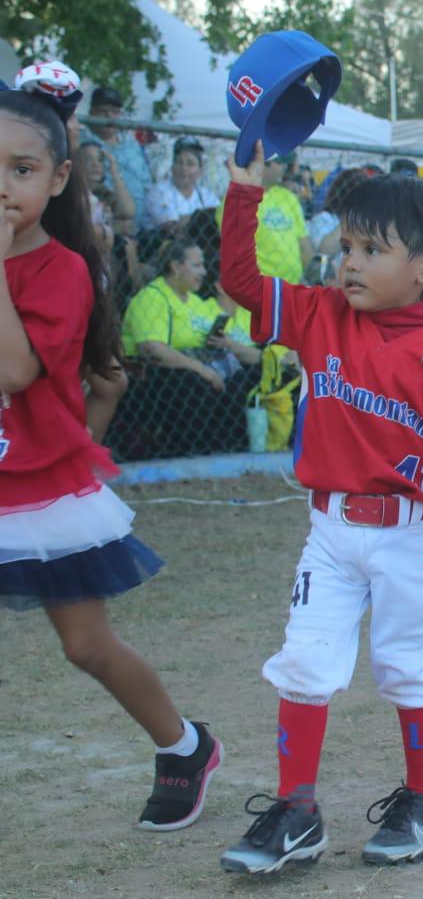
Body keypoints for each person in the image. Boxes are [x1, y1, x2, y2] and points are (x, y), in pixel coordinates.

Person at [216, 143, 423, 874]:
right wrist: (244, 195)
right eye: (345, 245)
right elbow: (242, 282)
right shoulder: (320, 315)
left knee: (409, 666)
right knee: (305, 664)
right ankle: (298, 811)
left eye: (372, 249)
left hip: (415, 538)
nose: (349, 262)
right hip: (331, 531)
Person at [0, 76, 222, 834]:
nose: (2, 186)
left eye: (21, 169)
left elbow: (16, 371)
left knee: (86, 646)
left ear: (59, 178)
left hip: (38, 487)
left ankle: (185, 746)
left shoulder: (61, 268)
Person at [113, 240, 256, 457]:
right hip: (154, 373)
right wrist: (201, 369)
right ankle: (190, 450)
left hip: (196, 362)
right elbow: (153, 348)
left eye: (203, 266)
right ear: (175, 267)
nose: (204, 272)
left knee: (239, 376)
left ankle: (229, 447)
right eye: (197, 266)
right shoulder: (153, 296)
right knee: (193, 382)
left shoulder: (195, 302)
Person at [217, 151, 310, 284]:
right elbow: (235, 248)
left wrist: (307, 277)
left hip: (292, 287)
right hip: (258, 288)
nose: (283, 167)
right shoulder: (237, 200)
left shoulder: (288, 197)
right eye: (279, 162)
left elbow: (304, 243)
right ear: (262, 163)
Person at [85, 85, 154, 222]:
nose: (109, 116)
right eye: (103, 111)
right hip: (107, 223)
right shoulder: (85, 144)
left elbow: (147, 182)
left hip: (143, 224)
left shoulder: (132, 144)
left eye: (115, 112)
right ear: (92, 113)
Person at [142, 137, 219, 235]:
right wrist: (203, 217)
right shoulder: (159, 191)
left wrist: (189, 219)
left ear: (200, 171)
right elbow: (172, 229)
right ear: (172, 167)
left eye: (190, 164)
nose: (184, 168)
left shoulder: (206, 194)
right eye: (179, 162)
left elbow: (218, 221)